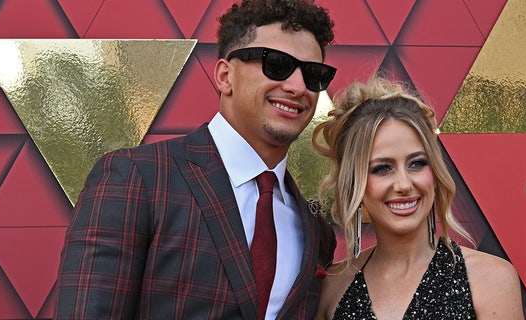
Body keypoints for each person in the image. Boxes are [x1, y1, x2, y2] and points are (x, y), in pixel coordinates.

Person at [53, 0, 337, 319]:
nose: (298, 87)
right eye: (277, 65)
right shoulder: (137, 178)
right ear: (225, 76)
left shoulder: (316, 231)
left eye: (314, 75)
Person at [312, 77, 523, 319]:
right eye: (382, 168)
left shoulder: (491, 280)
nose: (404, 184)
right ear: (354, 184)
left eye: (417, 164)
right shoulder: (333, 287)